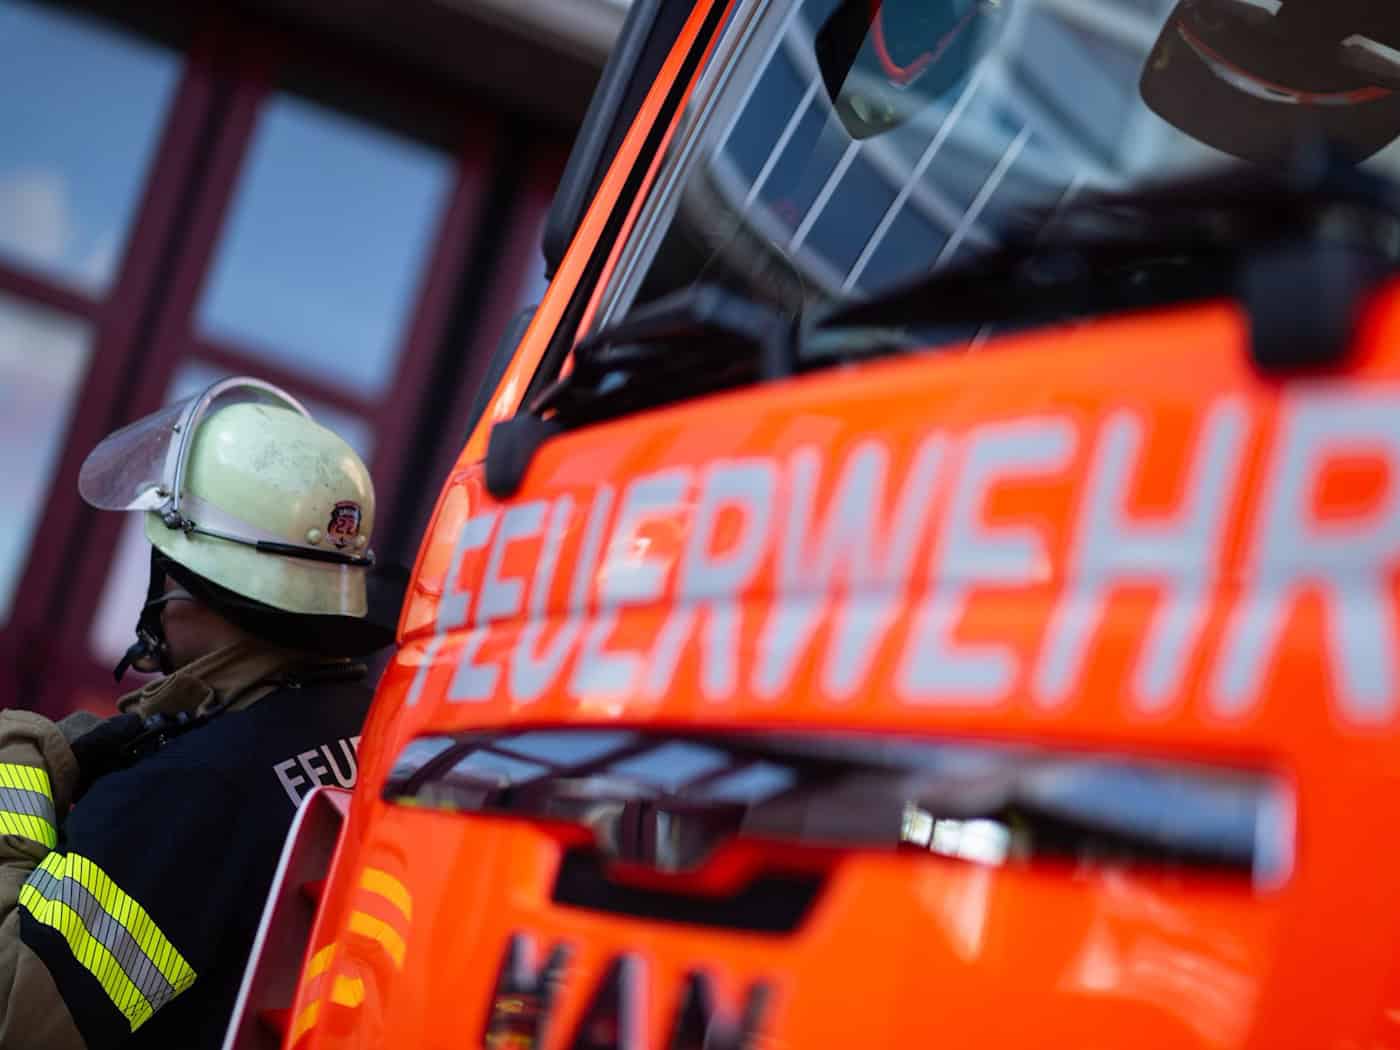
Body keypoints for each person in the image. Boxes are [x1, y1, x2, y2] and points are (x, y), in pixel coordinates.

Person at [0, 377, 400, 1049]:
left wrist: (14, 781)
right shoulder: (374, 725)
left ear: (191, 586)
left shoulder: (186, 792)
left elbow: (15, 1015)